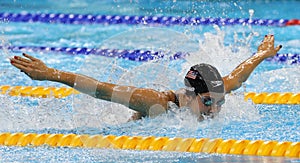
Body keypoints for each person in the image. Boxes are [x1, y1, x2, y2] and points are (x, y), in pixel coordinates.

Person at [10, 34, 282, 121]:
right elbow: (101, 89)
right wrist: (52, 74)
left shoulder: (214, 90)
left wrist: (260, 55)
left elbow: (238, 76)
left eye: (220, 102)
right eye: (210, 103)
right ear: (190, 94)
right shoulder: (158, 103)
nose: (216, 110)